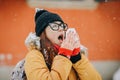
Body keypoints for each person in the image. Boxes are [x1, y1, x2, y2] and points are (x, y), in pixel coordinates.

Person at [24, 8, 102, 80]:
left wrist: (77, 58)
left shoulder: (72, 54)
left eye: (62, 25)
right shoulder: (34, 56)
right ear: (43, 34)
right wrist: (64, 55)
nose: (61, 29)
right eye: (55, 26)